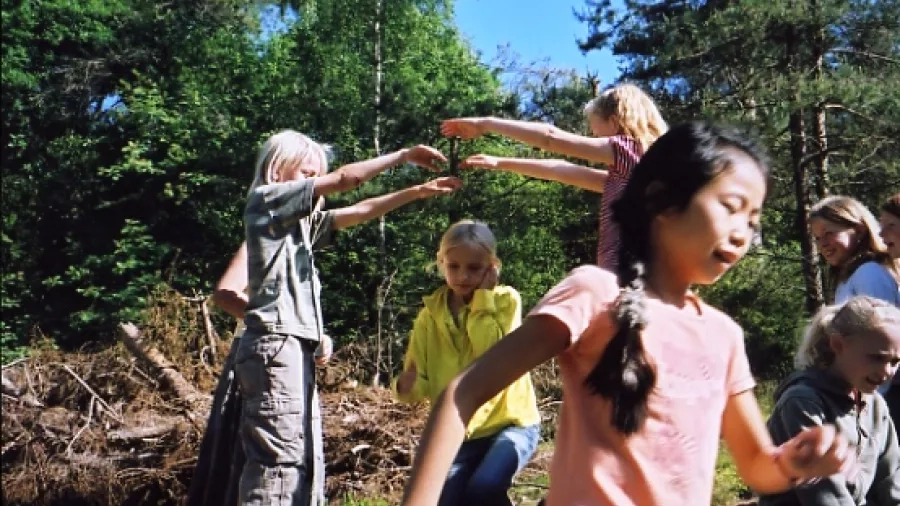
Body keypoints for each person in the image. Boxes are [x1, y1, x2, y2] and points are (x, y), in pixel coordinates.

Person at [399, 122, 852, 506]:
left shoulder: (724, 335)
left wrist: (795, 461)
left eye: (753, 220)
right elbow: (463, 393)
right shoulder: (595, 294)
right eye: (731, 207)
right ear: (660, 201)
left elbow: (757, 467)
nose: (742, 233)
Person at [235, 130, 461, 506]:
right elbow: (346, 181)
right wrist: (403, 155)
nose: (315, 185)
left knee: (300, 457)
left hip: (291, 344)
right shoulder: (268, 201)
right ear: (277, 170)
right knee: (279, 461)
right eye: (307, 174)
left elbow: (358, 211)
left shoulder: (299, 225)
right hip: (275, 343)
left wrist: (417, 192)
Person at [441, 83, 667, 271]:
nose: (594, 136)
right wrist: (500, 162)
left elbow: (550, 138)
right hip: (649, 278)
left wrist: (486, 124)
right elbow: (557, 170)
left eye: (597, 131)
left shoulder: (628, 148)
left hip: (627, 278)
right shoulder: (635, 175)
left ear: (615, 122)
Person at [393, 220, 540, 506]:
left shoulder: (506, 301)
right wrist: (405, 386)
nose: (462, 276)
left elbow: (495, 360)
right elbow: (416, 384)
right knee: (446, 498)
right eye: (454, 266)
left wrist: (483, 298)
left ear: (492, 266)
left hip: (512, 423)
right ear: (442, 263)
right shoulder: (429, 316)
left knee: (484, 487)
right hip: (461, 430)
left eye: (474, 268)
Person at [187, 242, 334, 506]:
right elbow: (225, 293)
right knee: (254, 470)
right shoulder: (263, 236)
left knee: (294, 468)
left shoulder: (303, 247)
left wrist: (320, 340)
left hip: (295, 367)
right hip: (262, 367)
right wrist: (287, 326)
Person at [758, 296, 900, 506]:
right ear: (838, 345)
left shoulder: (875, 405)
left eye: (895, 361)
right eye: (877, 358)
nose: (887, 372)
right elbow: (826, 497)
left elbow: (891, 483)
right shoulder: (802, 402)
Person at [809, 195, 900, 306]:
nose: (823, 244)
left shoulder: (868, 273)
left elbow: (884, 322)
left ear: (859, 230)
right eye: (817, 238)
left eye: (829, 233)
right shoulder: (850, 276)